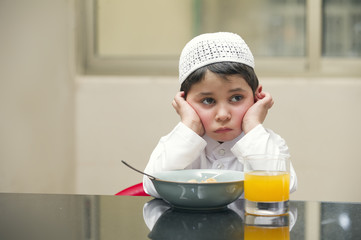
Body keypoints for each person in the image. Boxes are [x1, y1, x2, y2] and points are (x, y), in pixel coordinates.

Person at [143, 32, 297, 197]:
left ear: (256, 96)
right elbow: (152, 185)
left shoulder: (268, 142)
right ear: (184, 102)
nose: (223, 115)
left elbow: (282, 187)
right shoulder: (177, 142)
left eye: (236, 98)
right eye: (208, 101)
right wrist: (190, 125)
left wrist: (252, 124)